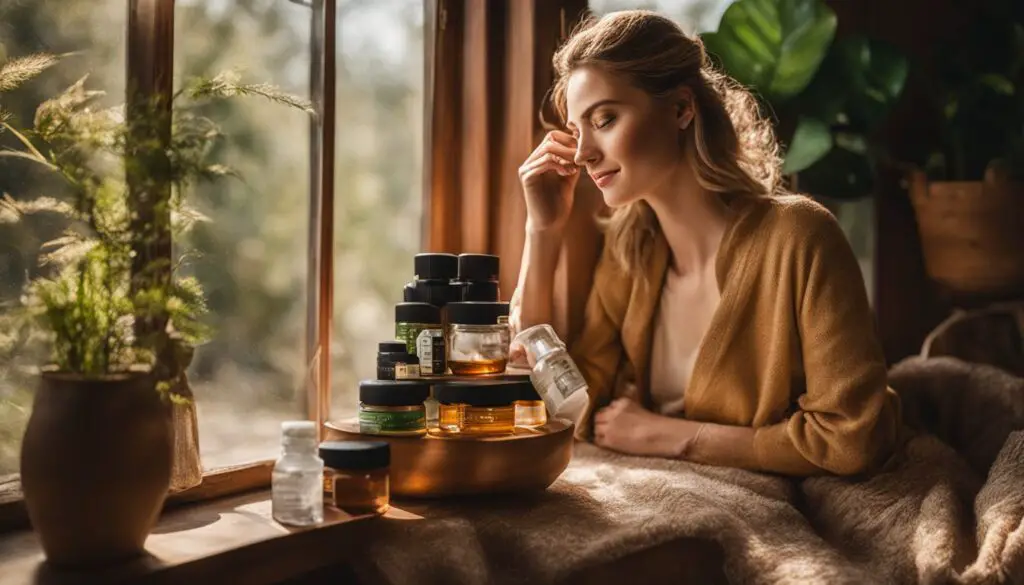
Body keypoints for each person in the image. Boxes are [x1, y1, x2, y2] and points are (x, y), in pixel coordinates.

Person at [508, 10, 901, 476]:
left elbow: (853, 438)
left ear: (680, 108)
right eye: (577, 131)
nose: (582, 153)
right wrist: (543, 233)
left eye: (606, 119)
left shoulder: (800, 237)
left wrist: (674, 436)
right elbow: (561, 405)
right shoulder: (630, 251)